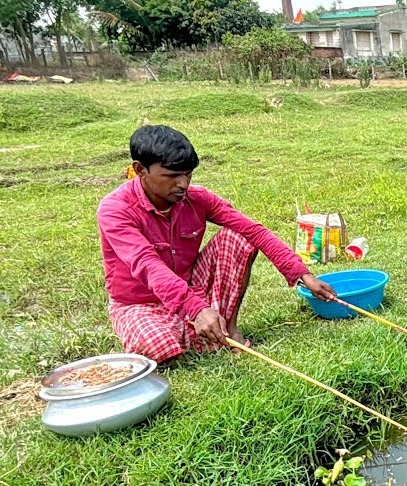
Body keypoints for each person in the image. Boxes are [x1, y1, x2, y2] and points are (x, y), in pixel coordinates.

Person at [97, 125, 336, 363]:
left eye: (188, 174)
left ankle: (226, 327)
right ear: (140, 169)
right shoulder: (115, 210)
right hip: (140, 303)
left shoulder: (197, 198)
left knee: (239, 236)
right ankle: (193, 332)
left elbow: (253, 231)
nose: (183, 184)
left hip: (189, 287)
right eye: (171, 176)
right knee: (155, 347)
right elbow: (146, 264)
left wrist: (303, 274)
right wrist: (196, 309)